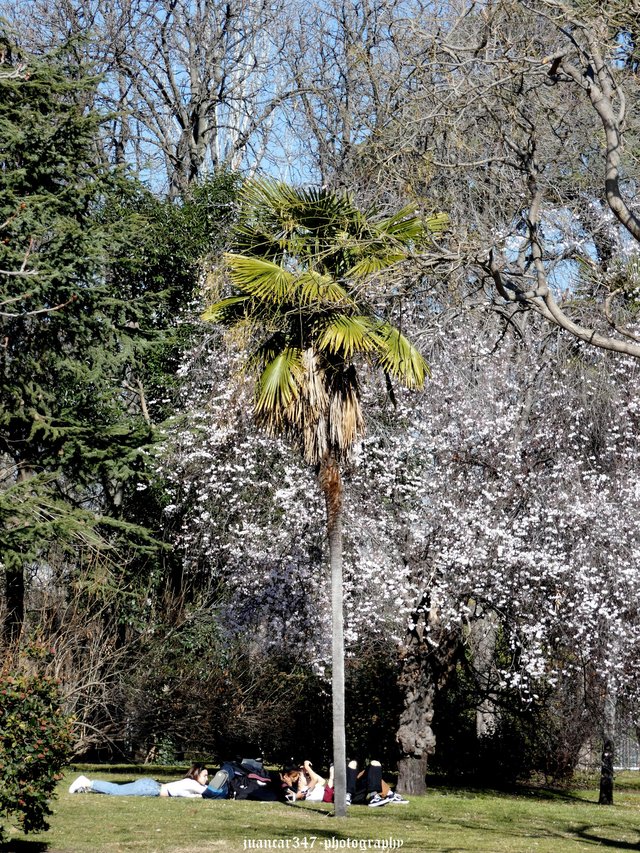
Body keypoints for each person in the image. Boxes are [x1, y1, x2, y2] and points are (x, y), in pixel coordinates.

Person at [68, 764, 209, 798]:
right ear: (196, 775)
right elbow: (210, 794)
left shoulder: (189, 783)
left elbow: (195, 796)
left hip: (150, 785)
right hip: (150, 789)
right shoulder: (192, 783)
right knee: (117, 791)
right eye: (205, 775)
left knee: (118, 789)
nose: (207, 779)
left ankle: (88, 786)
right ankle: (86, 782)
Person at [322, 760, 409, 807]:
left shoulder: (352, 775)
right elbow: (327, 798)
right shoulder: (334, 782)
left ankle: (374, 796)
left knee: (375, 763)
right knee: (353, 763)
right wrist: (332, 776)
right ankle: (389, 794)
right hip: (348, 795)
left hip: (357, 790)